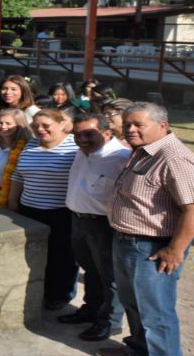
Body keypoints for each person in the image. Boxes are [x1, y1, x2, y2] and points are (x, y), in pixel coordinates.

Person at [97, 102, 194, 356]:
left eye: (138, 125)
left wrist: (175, 250)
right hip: (127, 241)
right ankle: (138, 350)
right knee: (133, 304)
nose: (131, 130)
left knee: (156, 312)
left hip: (152, 247)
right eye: (127, 125)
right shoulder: (143, 149)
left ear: (162, 126)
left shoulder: (174, 157)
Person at [61, 113, 131, 342]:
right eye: (77, 134)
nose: (81, 139)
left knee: (110, 276)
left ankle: (109, 323)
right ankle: (91, 310)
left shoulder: (121, 158)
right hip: (78, 220)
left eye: (89, 133)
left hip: (103, 225)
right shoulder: (84, 152)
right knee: (90, 270)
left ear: (107, 132)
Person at [8, 109, 80, 311]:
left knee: (61, 256)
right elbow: (18, 175)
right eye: (36, 126)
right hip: (29, 209)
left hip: (61, 212)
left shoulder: (74, 145)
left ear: (61, 124)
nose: (40, 130)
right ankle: (37, 291)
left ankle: (59, 295)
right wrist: (13, 202)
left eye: (46, 125)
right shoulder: (31, 144)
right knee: (34, 255)